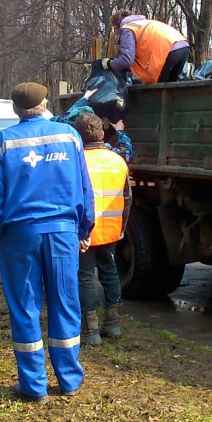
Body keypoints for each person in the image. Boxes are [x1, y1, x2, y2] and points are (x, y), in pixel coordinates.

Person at [0, 81, 95, 403]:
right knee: (65, 303)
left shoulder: (2, 141)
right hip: (62, 232)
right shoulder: (69, 136)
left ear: (16, 110)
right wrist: (84, 230)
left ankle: (33, 387)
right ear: (45, 104)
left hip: (20, 234)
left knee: (25, 307)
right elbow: (84, 188)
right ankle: (70, 379)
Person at [72, 113, 131, 346]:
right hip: (112, 230)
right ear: (102, 133)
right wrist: (122, 229)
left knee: (85, 277)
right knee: (110, 273)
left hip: (86, 232)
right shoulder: (118, 160)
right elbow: (127, 198)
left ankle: (91, 331)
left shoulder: (77, 161)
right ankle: (113, 325)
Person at [102, 9, 190, 84]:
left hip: (168, 52)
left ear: (117, 25)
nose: (116, 32)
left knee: (158, 90)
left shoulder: (127, 29)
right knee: (171, 88)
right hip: (183, 46)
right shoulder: (143, 23)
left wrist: (110, 63)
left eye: (115, 29)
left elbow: (127, 60)